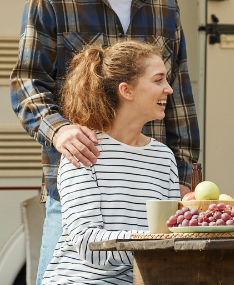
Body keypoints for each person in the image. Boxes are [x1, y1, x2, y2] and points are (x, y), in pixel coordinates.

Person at [9, 0, 199, 283]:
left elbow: (179, 92)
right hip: (83, 179)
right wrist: (58, 130)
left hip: (153, 187)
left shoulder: (164, 2)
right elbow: (26, 81)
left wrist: (184, 178)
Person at [42, 40, 180, 284]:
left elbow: (170, 235)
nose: (168, 89)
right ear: (126, 90)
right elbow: (87, 242)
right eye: (158, 80)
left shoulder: (163, 158)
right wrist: (154, 242)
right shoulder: (85, 150)